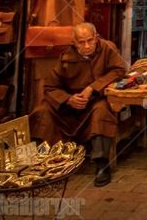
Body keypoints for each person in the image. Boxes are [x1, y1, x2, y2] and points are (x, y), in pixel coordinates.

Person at [29, 23, 126, 187]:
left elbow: (119, 71)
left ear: (96, 38)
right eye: (82, 42)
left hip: (95, 99)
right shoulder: (66, 56)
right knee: (42, 111)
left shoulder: (107, 49)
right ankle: (43, 161)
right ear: (74, 42)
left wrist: (93, 88)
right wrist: (68, 99)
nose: (87, 46)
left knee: (102, 112)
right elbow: (51, 86)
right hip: (70, 104)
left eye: (90, 40)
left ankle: (101, 164)